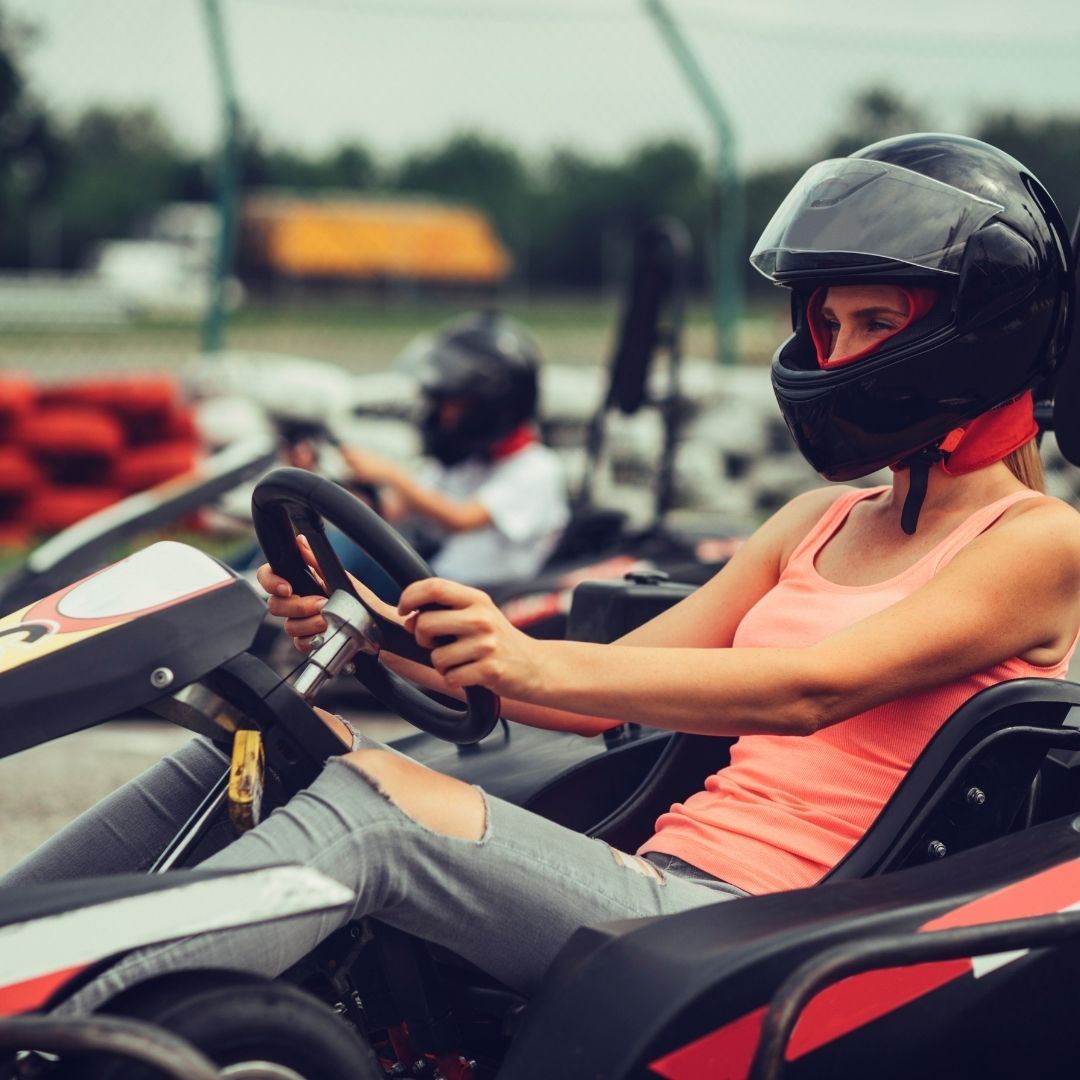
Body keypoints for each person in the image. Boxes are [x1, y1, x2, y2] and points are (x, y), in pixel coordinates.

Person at [5, 133, 1080, 1016]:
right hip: (656, 883)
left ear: (985, 334)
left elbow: (815, 690)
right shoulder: (815, 518)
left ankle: (60, 1011)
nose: (838, 354)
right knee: (247, 749)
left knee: (376, 813)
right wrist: (383, 634)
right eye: (828, 323)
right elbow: (585, 689)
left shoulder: (1035, 542)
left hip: (744, 930)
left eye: (877, 325)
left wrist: (528, 659)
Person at [326, 309, 571, 594]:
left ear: (491, 404)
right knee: (341, 544)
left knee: (349, 558)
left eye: (454, 403)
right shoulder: (465, 462)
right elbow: (392, 511)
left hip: (482, 593)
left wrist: (393, 474)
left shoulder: (536, 469)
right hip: (439, 579)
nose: (443, 415)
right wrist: (338, 482)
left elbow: (461, 519)